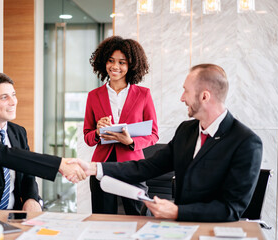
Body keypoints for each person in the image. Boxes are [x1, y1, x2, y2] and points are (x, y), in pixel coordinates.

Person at [75, 64, 263, 222]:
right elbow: (146, 167)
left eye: (186, 91)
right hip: (180, 230)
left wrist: (176, 212)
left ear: (205, 96)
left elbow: (231, 209)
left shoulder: (246, 142)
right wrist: (95, 168)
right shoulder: (186, 131)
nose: (182, 98)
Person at [0, 72, 86, 216]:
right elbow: (1, 154)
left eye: (13, 95)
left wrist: (32, 198)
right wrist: (59, 164)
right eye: (4, 97)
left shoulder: (18, 132)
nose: (13, 101)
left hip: (14, 217)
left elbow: (27, 173)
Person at [84, 36, 159, 215]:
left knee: (138, 215)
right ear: (103, 62)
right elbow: (88, 137)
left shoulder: (143, 94)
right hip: (102, 165)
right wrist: (97, 131)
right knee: (103, 217)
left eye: (121, 62)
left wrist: (130, 141)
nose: (115, 66)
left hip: (133, 166)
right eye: (110, 61)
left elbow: (154, 134)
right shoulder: (94, 96)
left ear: (131, 65)